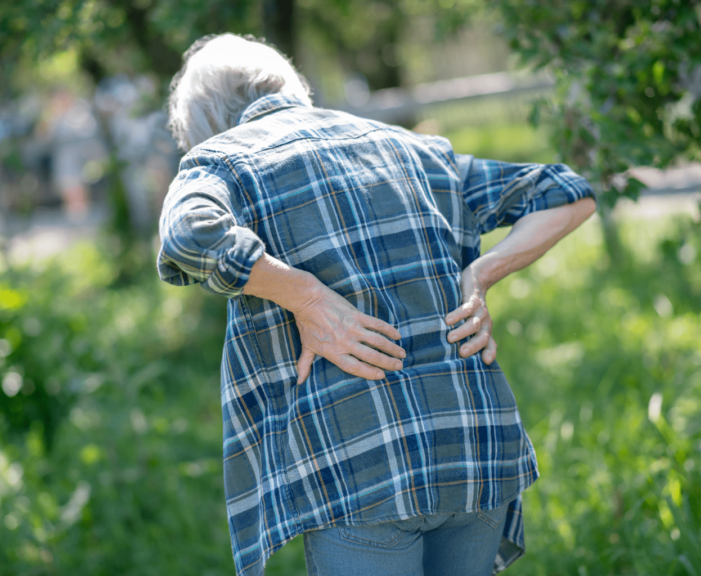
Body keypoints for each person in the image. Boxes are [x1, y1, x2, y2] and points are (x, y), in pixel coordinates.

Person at [157, 33, 596, 576]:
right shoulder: (413, 148)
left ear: (200, 123)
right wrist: (481, 276)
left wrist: (307, 297)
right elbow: (567, 192)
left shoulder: (220, 162)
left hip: (361, 466)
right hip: (474, 447)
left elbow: (186, 237)